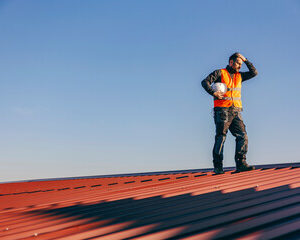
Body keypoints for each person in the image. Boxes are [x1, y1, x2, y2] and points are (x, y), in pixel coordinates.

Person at [201, 52, 258, 174]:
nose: (240, 66)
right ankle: (218, 167)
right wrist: (213, 92)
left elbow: (254, 73)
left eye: (241, 64)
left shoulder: (240, 76)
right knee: (221, 137)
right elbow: (204, 82)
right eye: (238, 63)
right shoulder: (220, 73)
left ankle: (241, 164)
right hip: (222, 111)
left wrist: (245, 59)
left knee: (242, 136)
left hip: (236, 111)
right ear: (231, 62)